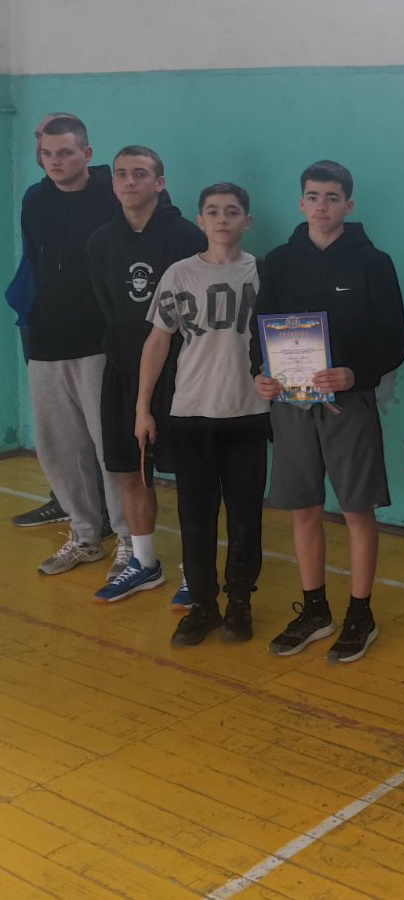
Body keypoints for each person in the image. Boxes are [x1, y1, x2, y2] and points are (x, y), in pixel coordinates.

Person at [253, 160, 404, 663]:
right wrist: (260, 374)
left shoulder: (373, 263)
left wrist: (356, 373)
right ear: (301, 203)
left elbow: (397, 338)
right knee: (303, 509)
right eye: (313, 196)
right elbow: (260, 329)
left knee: (356, 509)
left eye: (332, 197)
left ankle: (360, 613)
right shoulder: (278, 261)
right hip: (292, 405)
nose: (321, 206)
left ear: (349, 204)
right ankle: (315, 609)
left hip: (348, 404)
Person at [135, 183, 271, 645]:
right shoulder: (180, 274)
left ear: (247, 221)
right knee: (195, 518)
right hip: (191, 413)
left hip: (249, 413)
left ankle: (240, 602)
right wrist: (143, 408)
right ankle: (203, 606)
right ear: (200, 220)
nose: (222, 218)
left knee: (245, 517)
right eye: (212, 211)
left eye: (232, 211)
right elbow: (158, 341)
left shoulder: (262, 273)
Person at [87, 145, 206, 603]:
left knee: (192, 476)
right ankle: (144, 563)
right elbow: (109, 308)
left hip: (181, 376)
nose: (129, 182)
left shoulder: (187, 237)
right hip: (123, 373)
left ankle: (196, 571)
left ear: (160, 183)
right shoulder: (100, 242)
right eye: (121, 174)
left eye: (140, 174)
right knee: (128, 470)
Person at [20, 116, 130, 577]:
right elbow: (36, 261)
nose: (54, 161)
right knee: (60, 448)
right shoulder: (34, 199)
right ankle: (85, 535)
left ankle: (130, 540)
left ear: (86, 154)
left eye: (64, 152)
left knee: (111, 448)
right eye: (46, 153)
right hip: (45, 342)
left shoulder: (112, 196)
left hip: (98, 343)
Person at [8, 113, 78, 529]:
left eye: (57, 145)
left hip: (86, 331)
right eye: (40, 141)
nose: (45, 150)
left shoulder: (103, 192)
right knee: (54, 423)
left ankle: (103, 513)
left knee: (90, 424)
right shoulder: (35, 198)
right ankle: (63, 499)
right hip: (38, 321)